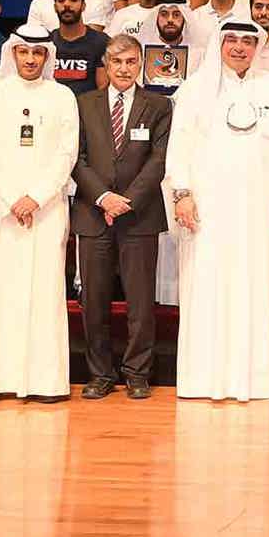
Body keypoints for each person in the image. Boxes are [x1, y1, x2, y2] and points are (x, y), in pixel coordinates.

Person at [167, 20, 269, 400]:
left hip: (257, 211)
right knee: (207, 287)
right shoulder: (195, 89)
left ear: (258, 46)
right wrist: (182, 194)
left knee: (254, 289)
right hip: (207, 211)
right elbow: (179, 147)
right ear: (220, 43)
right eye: (232, 39)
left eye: (248, 41)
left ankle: (252, 381)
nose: (240, 47)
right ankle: (204, 380)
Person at [0, 26, 78, 403]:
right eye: (23, 52)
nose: (30, 59)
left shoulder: (62, 96)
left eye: (37, 53)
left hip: (46, 211)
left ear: (47, 57)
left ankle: (45, 383)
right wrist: (13, 199)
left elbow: (67, 154)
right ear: (13, 54)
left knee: (44, 294)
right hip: (1, 210)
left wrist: (36, 198)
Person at [70, 36, 172, 400]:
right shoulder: (83, 104)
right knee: (93, 302)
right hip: (93, 213)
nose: (124, 69)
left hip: (139, 216)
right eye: (117, 62)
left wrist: (126, 201)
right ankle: (100, 373)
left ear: (141, 63)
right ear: (106, 65)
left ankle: (137, 373)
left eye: (131, 62)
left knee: (140, 303)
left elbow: (159, 159)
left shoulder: (159, 105)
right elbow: (76, 158)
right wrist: (104, 198)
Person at [44, 0, 108, 99]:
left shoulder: (102, 43)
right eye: (61, 0)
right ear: (55, 7)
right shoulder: (46, 42)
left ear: (83, 6)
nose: (67, 5)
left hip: (88, 109)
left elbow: (103, 91)